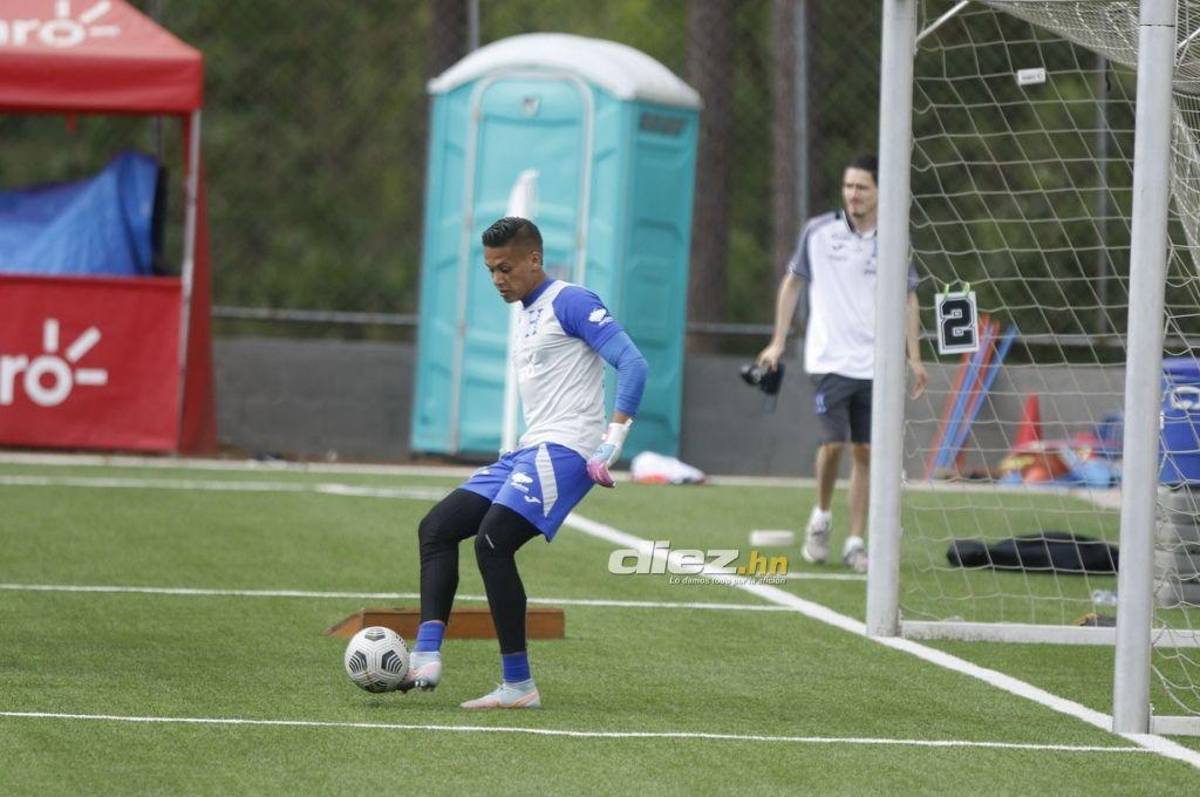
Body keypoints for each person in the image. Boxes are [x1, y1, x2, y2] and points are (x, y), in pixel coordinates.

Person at [401, 216, 648, 709]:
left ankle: (518, 685)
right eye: (490, 269)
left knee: (493, 541)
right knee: (437, 527)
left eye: (506, 268)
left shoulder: (572, 301)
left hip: (567, 450)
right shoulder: (526, 312)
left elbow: (634, 363)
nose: (497, 279)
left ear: (535, 259)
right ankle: (425, 655)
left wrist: (612, 439)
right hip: (528, 450)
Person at [756, 154, 926, 573]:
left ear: (879, 191)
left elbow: (908, 298)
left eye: (861, 187)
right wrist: (777, 342)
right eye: (848, 186)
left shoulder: (893, 238)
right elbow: (792, 283)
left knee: (866, 451)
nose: (853, 194)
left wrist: (915, 359)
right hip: (829, 359)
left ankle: (854, 541)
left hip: (876, 364)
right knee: (833, 445)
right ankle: (821, 516)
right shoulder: (818, 232)